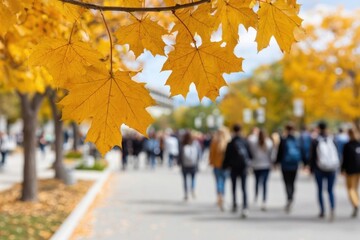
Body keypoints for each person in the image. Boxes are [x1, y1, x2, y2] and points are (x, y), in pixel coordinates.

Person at [310, 121, 339, 221]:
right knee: (330, 190)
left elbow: (313, 156)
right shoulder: (333, 139)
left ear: (318, 128)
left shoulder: (316, 140)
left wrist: (311, 169)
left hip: (319, 168)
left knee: (320, 190)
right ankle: (332, 209)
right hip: (332, 168)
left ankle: (322, 210)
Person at [223, 124, 252, 218]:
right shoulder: (244, 141)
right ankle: (245, 206)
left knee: (234, 187)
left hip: (233, 168)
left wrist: (225, 166)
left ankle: (235, 204)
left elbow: (227, 156)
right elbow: (250, 155)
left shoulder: (231, 142)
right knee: (244, 188)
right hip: (243, 168)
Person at [276, 123, 303, 213]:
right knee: (293, 182)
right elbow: (301, 151)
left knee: (287, 182)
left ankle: (289, 197)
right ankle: (291, 197)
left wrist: (276, 162)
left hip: (285, 164)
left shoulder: (284, 140)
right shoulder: (297, 139)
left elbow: (279, 152)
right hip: (294, 164)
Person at [249, 129, 273, 211]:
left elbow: (251, 152)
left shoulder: (254, 142)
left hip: (256, 165)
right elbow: (271, 155)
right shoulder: (269, 142)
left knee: (257, 182)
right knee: (264, 184)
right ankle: (264, 200)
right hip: (266, 165)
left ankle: (256, 196)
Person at [209, 127, 231, 211]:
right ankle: (223, 197)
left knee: (218, 181)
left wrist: (211, 162)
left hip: (216, 165)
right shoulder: (227, 141)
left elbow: (211, 153)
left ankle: (219, 196)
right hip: (225, 166)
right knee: (223, 182)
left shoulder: (215, 141)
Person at [342, 127, 360, 218]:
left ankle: (355, 203)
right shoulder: (358, 144)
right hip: (358, 169)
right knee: (355, 188)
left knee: (350, 189)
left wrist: (342, 170)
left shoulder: (347, 145)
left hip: (350, 170)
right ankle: (356, 201)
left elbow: (344, 159)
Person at [179, 131, 201, 201]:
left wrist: (179, 162)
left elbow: (180, 154)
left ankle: (186, 193)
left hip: (184, 165)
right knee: (193, 178)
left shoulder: (182, 143)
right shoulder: (196, 143)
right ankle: (193, 190)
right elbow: (199, 154)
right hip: (193, 164)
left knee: (185, 179)